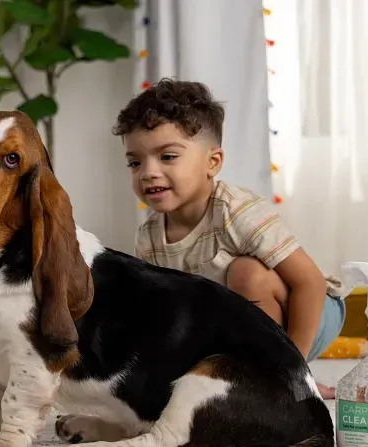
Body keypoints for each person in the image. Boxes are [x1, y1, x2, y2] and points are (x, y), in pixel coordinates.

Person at [112, 78, 344, 399]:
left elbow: (311, 283)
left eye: (167, 157)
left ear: (213, 162)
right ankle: (247, 374)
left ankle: (278, 375)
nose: (148, 172)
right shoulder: (149, 238)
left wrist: (296, 371)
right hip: (236, 321)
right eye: (135, 162)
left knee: (246, 273)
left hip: (310, 312)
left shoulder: (238, 212)